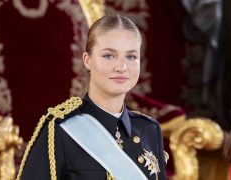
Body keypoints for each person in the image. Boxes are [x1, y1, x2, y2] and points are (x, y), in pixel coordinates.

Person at [16, 15, 167, 180]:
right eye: (109, 55)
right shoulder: (60, 130)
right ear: (87, 60)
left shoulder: (150, 130)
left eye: (131, 56)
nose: (122, 67)